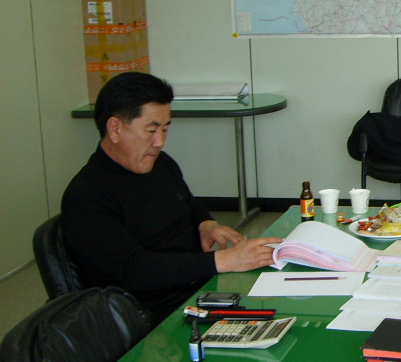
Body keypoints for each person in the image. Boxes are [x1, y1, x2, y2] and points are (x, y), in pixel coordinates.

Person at [61, 72, 282, 321]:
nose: (160, 142)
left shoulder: (160, 164)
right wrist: (222, 260)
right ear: (115, 128)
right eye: (151, 130)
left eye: (165, 129)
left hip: (201, 288)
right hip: (156, 315)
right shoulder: (87, 197)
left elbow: (188, 204)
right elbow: (134, 270)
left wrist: (205, 224)